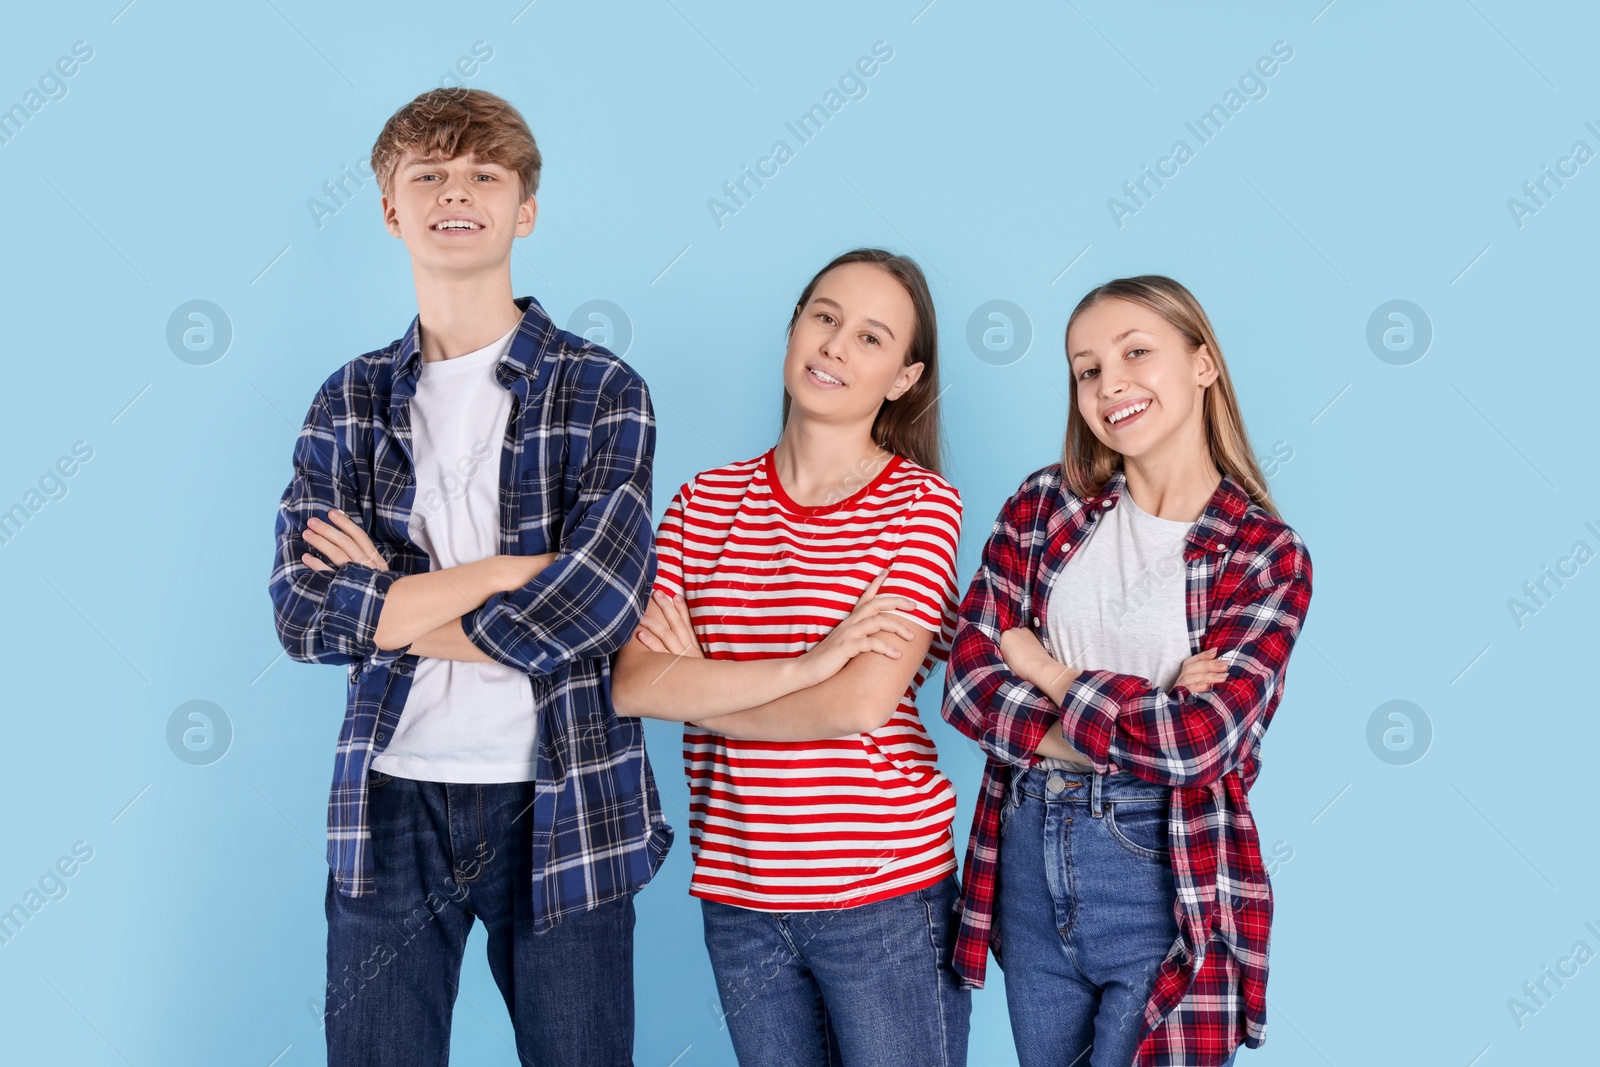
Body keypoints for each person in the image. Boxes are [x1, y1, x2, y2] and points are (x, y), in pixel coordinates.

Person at [267, 87, 671, 1067]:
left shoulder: (599, 386)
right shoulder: (352, 397)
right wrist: (504, 569)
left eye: (483, 174)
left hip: (565, 793)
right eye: (429, 175)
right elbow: (301, 611)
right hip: (389, 798)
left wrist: (395, 607)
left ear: (524, 208)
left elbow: (597, 602)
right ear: (390, 209)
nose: (458, 192)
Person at [940, 275, 1314, 1067]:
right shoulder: (1044, 507)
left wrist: (1041, 664)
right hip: (1027, 853)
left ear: (1203, 363)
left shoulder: (1264, 555)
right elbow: (968, 679)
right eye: (1086, 369)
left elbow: (1197, 744)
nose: (1110, 384)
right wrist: (1143, 705)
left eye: (1135, 352)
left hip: (1162, 865)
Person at [611, 248, 970, 1066]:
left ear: (904, 379)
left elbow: (860, 705)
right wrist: (810, 665)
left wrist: (698, 686)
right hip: (738, 894)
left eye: (871, 337)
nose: (837, 345)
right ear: (792, 332)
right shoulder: (705, 501)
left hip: (883, 889)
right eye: (824, 317)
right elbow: (632, 681)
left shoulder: (922, 503)